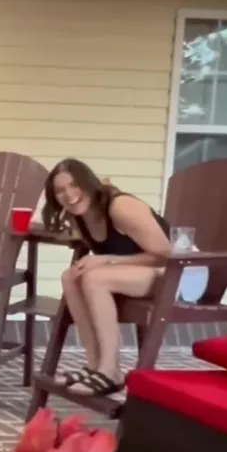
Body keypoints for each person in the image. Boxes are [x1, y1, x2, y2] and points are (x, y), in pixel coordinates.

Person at [41, 158, 173, 397]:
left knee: (95, 278)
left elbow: (167, 254)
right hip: (145, 273)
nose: (69, 195)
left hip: (180, 274)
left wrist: (107, 260)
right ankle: (94, 366)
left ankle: (110, 371)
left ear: (89, 183)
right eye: (60, 190)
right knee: (71, 276)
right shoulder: (79, 215)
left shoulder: (120, 206)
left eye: (74, 185)